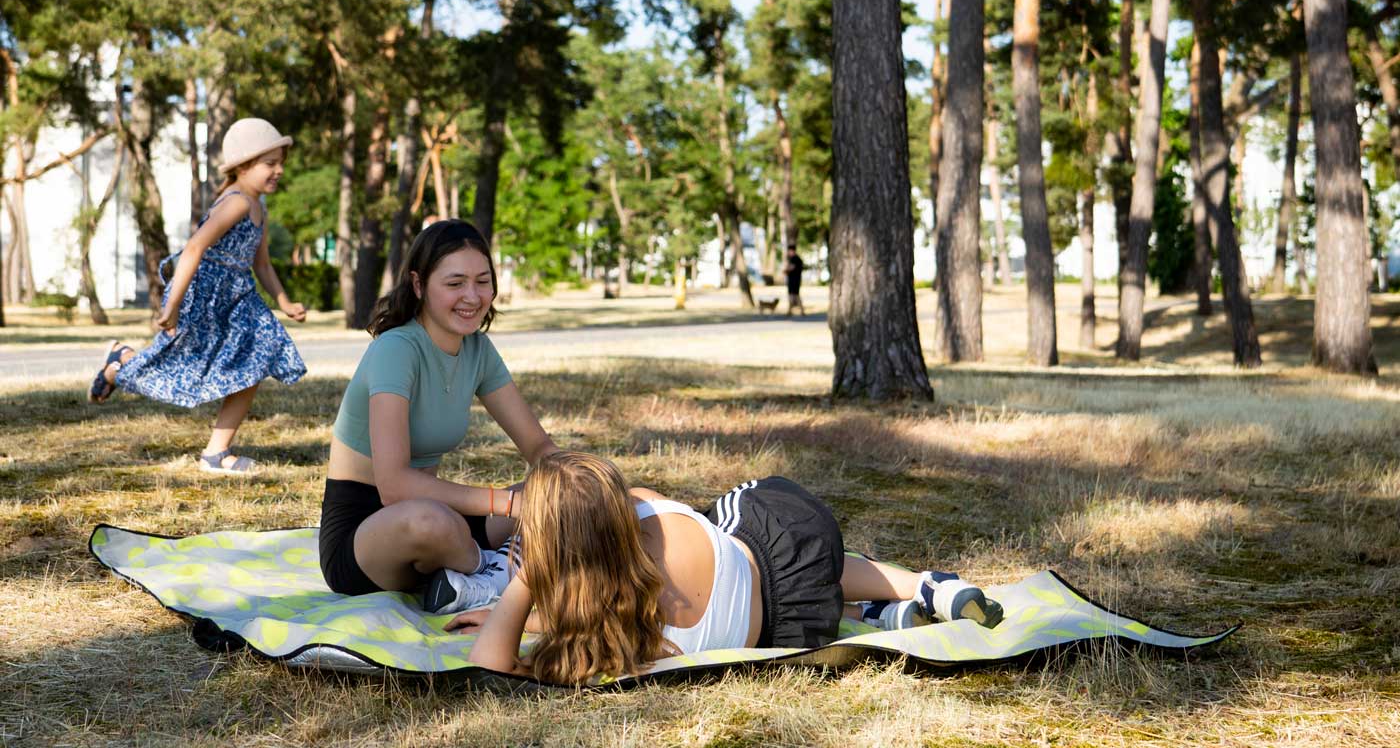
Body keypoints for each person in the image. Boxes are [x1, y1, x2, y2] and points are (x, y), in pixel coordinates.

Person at [454, 452, 1003, 684]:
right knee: (750, 537)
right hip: (790, 557)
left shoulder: (608, 634)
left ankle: (878, 614)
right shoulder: (646, 505)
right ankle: (922, 587)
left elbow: (490, 664)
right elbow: (620, 560)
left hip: (781, 630)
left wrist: (524, 596)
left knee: (763, 559)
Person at [318, 219, 558, 608]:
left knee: (549, 493)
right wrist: (508, 505)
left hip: (450, 524)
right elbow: (394, 486)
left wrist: (581, 483)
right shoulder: (397, 349)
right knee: (433, 521)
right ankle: (498, 572)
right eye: (455, 283)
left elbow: (538, 445)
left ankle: (483, 574)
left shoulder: (477, 350)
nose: (472, 295)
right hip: (370, 536)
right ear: (418, 285)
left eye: (483, 281)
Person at [88, 117, 308, 475]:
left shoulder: (259, 208)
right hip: (207, 299)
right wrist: (172, 304)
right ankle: (120, 365)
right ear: (243, 166)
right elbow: (194, 249)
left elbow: (262, 264)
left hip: (239, 299)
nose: (279, 170)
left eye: (281, 162)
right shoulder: (235, 203)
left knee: (257, 359)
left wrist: (283, 301)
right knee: (182, 373)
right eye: (271, 163)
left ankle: (216, 454)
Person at [782, 244, 805, 316]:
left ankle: (792, 310)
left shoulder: (794, 259)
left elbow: (791, 268)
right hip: (796, 279)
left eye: (789, 251)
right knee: (795, 295)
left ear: (791, 250)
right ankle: (794, 310)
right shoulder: (798, 259)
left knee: (793, 295)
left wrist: (785, 271)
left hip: (793, 280)